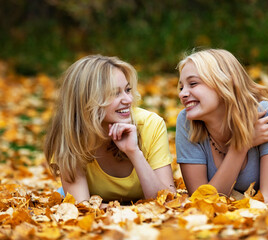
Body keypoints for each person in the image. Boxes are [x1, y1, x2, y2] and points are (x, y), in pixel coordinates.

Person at [175, 49, 268, 202]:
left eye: (193, 84)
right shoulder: (187, 121)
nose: (183, 94)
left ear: (224, 83)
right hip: (241, 199)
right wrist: (243, 144)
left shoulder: (266, 113)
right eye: (181, 87)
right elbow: (202, 202)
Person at [44, 55, 175, 205]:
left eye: (127, 90)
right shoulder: (70, 135)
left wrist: (134, 152)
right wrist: (128, 212)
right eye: (115, 93)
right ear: (87, 100)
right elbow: (82, 206)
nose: (128, 100)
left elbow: (167, 201)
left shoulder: (150, 125)